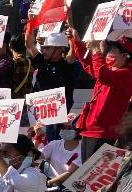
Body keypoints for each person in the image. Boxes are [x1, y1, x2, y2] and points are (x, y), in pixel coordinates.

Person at [68, 29, 132, 161]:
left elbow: (102, 75)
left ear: (125, 56)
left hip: (103, 133)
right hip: (90, 128)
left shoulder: (127, 74)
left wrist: (97, 50)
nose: (109, 52)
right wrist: (76, 41)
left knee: (92, 175)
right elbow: (88, 63)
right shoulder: (108, 69)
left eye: (114, 50)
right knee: (85, 174)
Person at [27, 31, 76, 141]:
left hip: (56, 117)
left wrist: (72, 38)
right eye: (44, 48)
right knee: (38, 145)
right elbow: (29, 45)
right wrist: (31, 24)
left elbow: (73, 53)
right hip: (39, 113)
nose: (43, 51)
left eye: (48, 48)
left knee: (53, 142)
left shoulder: (67, 65)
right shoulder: (42, 61)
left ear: (59, 50)